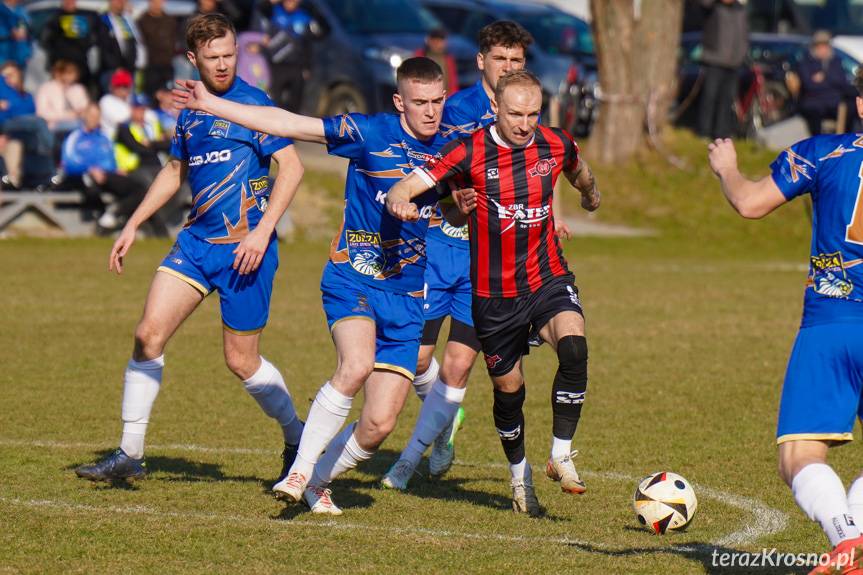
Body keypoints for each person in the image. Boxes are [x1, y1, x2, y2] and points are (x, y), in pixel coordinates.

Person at [173, 56, 451, 515]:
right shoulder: (370, 132)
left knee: (379, 424)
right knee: (356, 363)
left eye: (437, 101)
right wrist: (214, 105)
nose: (430, 112)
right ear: (400, 101)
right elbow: (289, 123)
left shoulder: (452, 150)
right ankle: (299, 468)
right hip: (351, 276)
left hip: (407, 295)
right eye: (420, 102)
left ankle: (316, 481)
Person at [74, 14, 306, 484]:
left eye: (229, 55)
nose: (223, 65)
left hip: (247, 252)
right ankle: (129, 454)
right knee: (147, 335)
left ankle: (297, 436)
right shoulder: (192, 109)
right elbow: (175, 170)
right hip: (197, 243)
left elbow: (293, 167)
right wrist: (133, 222)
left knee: (241, 361)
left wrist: (262, 232)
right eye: (213, 57)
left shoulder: (253, 104)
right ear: (192, 58)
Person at [386, 70, 601, 516]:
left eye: (533, 114)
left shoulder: (554, 143)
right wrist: (400, 199)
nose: (525, 124)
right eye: (515, 114)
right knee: (509, 390)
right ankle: (520, 476)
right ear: (497, 109)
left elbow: (578, 171)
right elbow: (413, 183)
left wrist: (590, 194)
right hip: (493, 295)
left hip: (546, 276)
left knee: (575, 348)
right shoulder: (469, 150)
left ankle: (561, 455)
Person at [706, 78, 863, 575]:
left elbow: (750, 202)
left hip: (831, 325)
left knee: (799, 454)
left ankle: (847, 542)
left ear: (859, 103)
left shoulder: (822, 152)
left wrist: (728, 170)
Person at [381, 19, 535, 491]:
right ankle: (444, 421)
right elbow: (431, 167)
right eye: (501, 59)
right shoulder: (454, 110)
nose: (509, 68)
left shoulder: (526, 110)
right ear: (482, 62)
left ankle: (408, 462)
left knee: (460, 364)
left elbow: (543, 163)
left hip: (489, 259)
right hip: (438, 246)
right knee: (418, 359)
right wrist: (450, 201)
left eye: (516, 61)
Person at [59, 102, 148, 230]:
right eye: (91, 115)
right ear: (84, 115)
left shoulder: (104, 138)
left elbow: (110, 161)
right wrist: (89, 169)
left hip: (106, 175)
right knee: (90, 184)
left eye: (96, 116)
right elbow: (68, 163)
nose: (93, 119)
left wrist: (116, 169)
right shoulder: (75, 137)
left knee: (139, 188)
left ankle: (114, 212)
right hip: (84, 175)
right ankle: (101, 221)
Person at [696, 0, 748, 140]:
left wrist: (742, 54)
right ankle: (704, 132)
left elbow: (744, 34)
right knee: (710, 97)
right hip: (714, 60)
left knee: (727, 100)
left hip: (734, 64)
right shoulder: (713, 7)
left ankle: (722, 133)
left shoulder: (740, 9)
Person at [796, 30, 856, 136]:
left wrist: (825, 77)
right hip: (813, 102)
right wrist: (830, 81)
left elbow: (842, 83)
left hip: (834, 101)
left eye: (825, 45)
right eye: (820, 46)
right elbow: (809, 85)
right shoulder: (806, 62)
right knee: (813, 111)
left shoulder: (836, 61)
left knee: (852, 108)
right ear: (814, 47)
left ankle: (845, 140)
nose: (823, 49)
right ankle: (818, 142)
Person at [259, 0, 314, 111]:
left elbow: (307, 44)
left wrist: (307, 66)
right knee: (274, 100)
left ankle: (292, 126)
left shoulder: (304, 17)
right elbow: (261, 8)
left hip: (296, 66)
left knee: (295, 101)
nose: (290, 2)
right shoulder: (274, 11)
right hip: (275, 65)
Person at [40, 0, 100, 91]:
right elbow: (46, 40)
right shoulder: (55, 19)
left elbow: (90, 40)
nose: (69, 2)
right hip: (62, 66)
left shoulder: (83, 18)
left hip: (81, 65)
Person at [98, 0, 145, 93]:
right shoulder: (103, 20)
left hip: (130, 70)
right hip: (112, 71)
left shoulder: (129, 20)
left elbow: (136, 43)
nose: (121, 2)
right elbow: (102, 47)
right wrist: (115, 67)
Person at [35, 60, 90, 133]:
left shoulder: (78, 89)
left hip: (77, 122)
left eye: (72, 73)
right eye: (67, 73)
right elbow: (41, 113)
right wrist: (67, 115)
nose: (69, 76)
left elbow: (85, 108)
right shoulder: (46, 88)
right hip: (54, 126)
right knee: (78, 125)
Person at [137, 0, 178, 97]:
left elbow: (174, 40)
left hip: (167, 65)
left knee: (168, 96)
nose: (157, 4)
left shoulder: (170, 20)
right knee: (152, 96)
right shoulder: (142, 21)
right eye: (154, 1)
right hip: (150, 66)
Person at [414, 28, 458, 96]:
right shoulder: (419, 56)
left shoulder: (448, 60)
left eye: (440, 40)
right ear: (428, 40)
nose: (437, 43)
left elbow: (452, 82)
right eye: (434, 40)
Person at [99, 68, 132, 140]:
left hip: (132, 138)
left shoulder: (131, 99)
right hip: (112, 140)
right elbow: (119, 121)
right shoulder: (106, 100)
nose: (121, 89)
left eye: (125, 86)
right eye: (118, 86)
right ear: (111, 87)